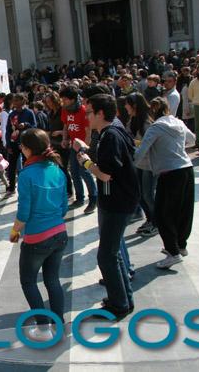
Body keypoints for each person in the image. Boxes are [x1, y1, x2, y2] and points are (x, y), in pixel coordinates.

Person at [73, 94, 139, 320]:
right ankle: (123, 300)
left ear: (101, 113)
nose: (87, 116)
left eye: (89, 112)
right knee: (112, 254)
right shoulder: (111, 132)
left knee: (106, 256)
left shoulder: (110, 135)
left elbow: (105, 174)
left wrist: (85, 162)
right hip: (118, 200)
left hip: (117, 201)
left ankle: (119, 305)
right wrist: (88, 149)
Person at [9, 129, 68, 337]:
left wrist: (14, 231)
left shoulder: (26, 175)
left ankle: (43, 327)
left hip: (36, 238)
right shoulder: (58, 169)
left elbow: (23, 213)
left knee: (28, 281)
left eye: (22, 147)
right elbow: (63, 208)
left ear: (27, 149)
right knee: (53, 279)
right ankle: (58, 324)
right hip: (59, 233)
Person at [134, 98, 195, 269]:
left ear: (152, 112)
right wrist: (175, 148)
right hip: (187, 169)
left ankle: (172, 252)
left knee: (162, 213)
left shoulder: (155, 128)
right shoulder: (178, 122)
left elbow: (142, 151)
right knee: (184, 210)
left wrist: (133, 164)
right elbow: (192, 140)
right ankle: (181, 246)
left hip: (169, 174)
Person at [59, 86, 97, 214]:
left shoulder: (83, 110)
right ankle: (80, 198)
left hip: (83, 147)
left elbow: (88, 132)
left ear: (73, 99)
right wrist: (65, 139)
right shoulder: (65, 110)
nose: (63, 102)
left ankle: (93, 199)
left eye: (65, 99)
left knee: (85, 172)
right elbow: (66, 126)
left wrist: (84, 149)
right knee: (74, 172)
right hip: (73, 147)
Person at [125, 93, 157, 238]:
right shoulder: (132, 120)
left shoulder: (147, 123)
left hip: (149, 165)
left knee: (148, 195)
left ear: (135, 106)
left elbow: (149, 145)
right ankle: (150, 219)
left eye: (127, 104)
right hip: (137, 163)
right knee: (140, 195)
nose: (125, 106)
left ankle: (156, 223)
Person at [6, 94, 37, 194]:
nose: (14, 103)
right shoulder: (11, 114)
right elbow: (8, 130)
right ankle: (11, 187)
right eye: (14, 101)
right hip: (14, 143)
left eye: (16, 100)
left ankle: (28, 185)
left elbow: (34, 126)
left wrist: (25, 124)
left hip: (26, 143)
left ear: (22, 101)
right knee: (12, 166)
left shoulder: (29, 112)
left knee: (27, 165)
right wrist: (8, 144)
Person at [45, 92, 73, 197]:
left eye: (50, 101)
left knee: (64, 168)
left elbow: (70, 127)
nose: (48, 104)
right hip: (53, 143)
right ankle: (61, 189)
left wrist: (60, 132)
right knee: (56, 168)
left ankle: (69, 190)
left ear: (55, 100)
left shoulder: (63, 110)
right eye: (47, 102)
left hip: (63, 143)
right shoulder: (51, 113)